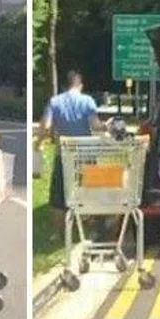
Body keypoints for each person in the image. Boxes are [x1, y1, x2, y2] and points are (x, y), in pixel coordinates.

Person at [34, 71, 109, 230]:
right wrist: (106, 126)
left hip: (64, 154)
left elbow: (45, 126)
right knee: (87, 190)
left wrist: (38, 143)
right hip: (86, 153)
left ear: (64, 86)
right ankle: (85, 224)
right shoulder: (87, 101)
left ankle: (58, 231)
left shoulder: (55, 102)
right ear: (80, 85)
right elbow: (95, 125)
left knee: (59, 195)